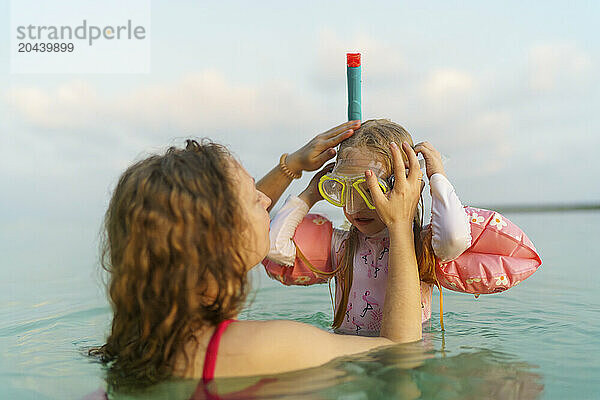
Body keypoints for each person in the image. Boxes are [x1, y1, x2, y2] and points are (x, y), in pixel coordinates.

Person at [90, 136, 425, 395]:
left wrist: (291, 166)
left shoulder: (136, 343)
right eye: (253, 197)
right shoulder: (273, 346)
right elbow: (399, 351)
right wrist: (400, 223)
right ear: (221, 239)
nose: (266, 200)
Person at [264, 119, 472, 335]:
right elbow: (273, 247)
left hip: (407, 358)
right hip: (350, 356)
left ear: (405, 187)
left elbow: (454, 239)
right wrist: (310, 194)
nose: (355, 208)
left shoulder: (421, 246)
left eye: (370, 191)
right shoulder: (342, 247)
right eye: (343, 190)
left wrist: (437, 177)